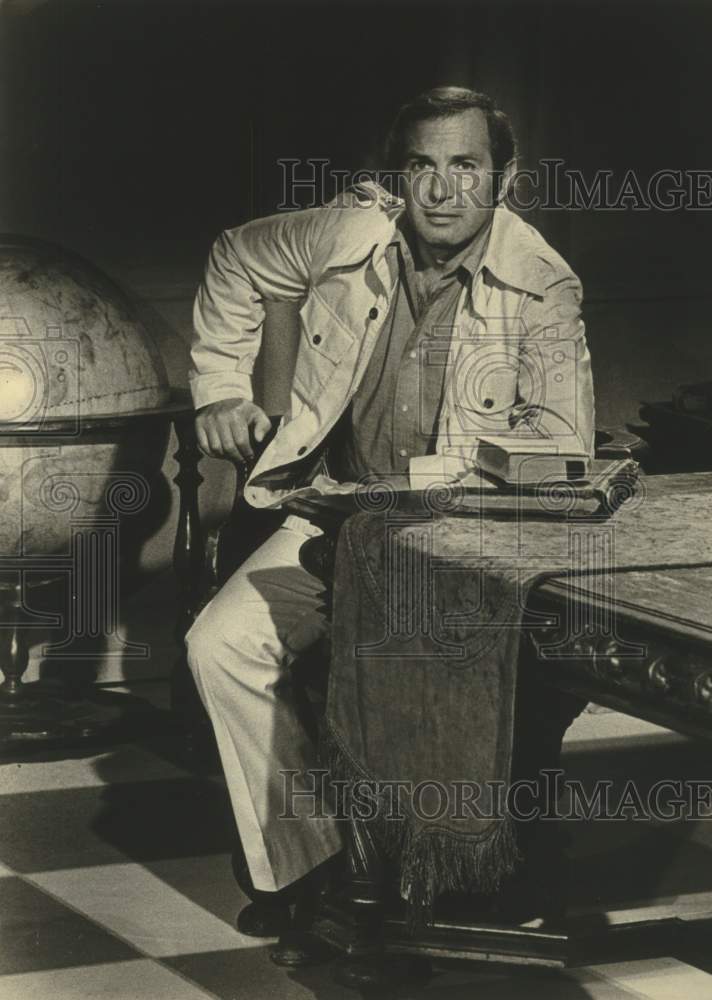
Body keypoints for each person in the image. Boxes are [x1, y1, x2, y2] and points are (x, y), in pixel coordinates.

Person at [185, 86, 594, 962]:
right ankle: (311, 869)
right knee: (218, 646)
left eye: (466, 167)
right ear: (396, 178)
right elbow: (235, 256)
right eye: (421, 166)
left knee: (432, 664)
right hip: (332, 516)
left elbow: (561, 445)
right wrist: (218, 388)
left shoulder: (541, 282)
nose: (442, 191)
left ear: (504, 178)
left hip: (455, 539)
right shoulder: (346, 233)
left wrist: (413, 487)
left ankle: (451, 872)